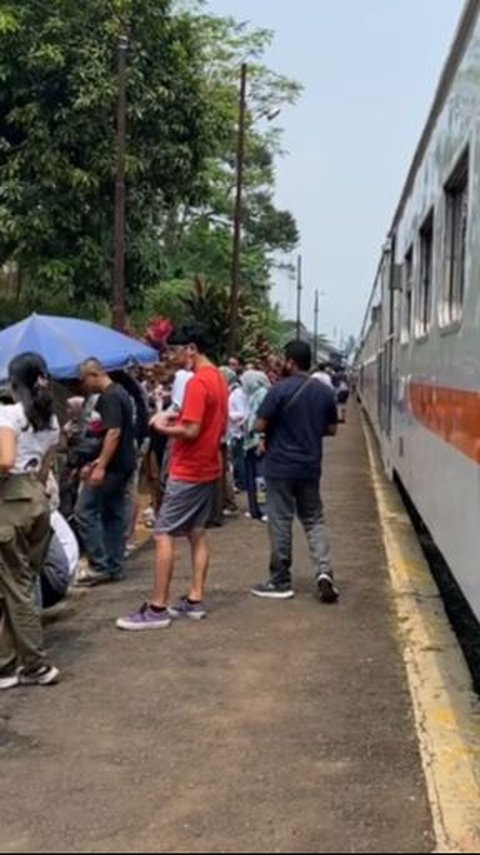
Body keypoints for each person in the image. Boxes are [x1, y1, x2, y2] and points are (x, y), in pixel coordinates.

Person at [117, 325, 228, 630]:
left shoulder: (196, 383)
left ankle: (157, 606)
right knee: (196, 531)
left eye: (176, 351)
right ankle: (194, 598)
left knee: (163, 533)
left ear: (191, 348)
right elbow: (207, 423)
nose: (174, 358)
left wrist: (161, 425)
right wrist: (176, 419)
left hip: (189, 469)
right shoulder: (217, 378)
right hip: (209, 466)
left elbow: (191, 431)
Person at [250, 340, 339, 603]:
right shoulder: (324, 392)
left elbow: (258, 425)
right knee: (314, 519)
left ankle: (280, 581)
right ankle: (324, 572)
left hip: (279, 466)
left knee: (280, 520)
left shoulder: (278, 390)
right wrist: (310, 429)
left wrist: (278, 427)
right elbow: (333, 429)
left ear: (290, 362)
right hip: (310, 466)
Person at [0, 352, 60, 689]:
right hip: (37, 501)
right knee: (16, 583)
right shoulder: (50, 420)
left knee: (16, 586)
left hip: (11, 502)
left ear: (13, 384)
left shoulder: (8, 414)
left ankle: (36, 665)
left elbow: (5, 461)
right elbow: (44, 469)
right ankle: (5, 665)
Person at [75, 358, 136, 586]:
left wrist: (100, 465)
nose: (83, 386)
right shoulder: (122, 393)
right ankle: (114, 565)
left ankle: (100, 564)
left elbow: (113, 433)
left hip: (112, 467)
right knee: (114, 513)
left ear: (93, 374)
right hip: (123, 463)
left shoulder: (110, 397)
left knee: (84, 510)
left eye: (84, 380)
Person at [242, 370, 270, 522]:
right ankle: (255, 509)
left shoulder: (262, 394)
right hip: (249, 443)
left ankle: (264, 509)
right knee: (253, 477)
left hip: (257, 442)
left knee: (260, 478)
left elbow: (264, 418)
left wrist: (262, 439)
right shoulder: (253, 395)